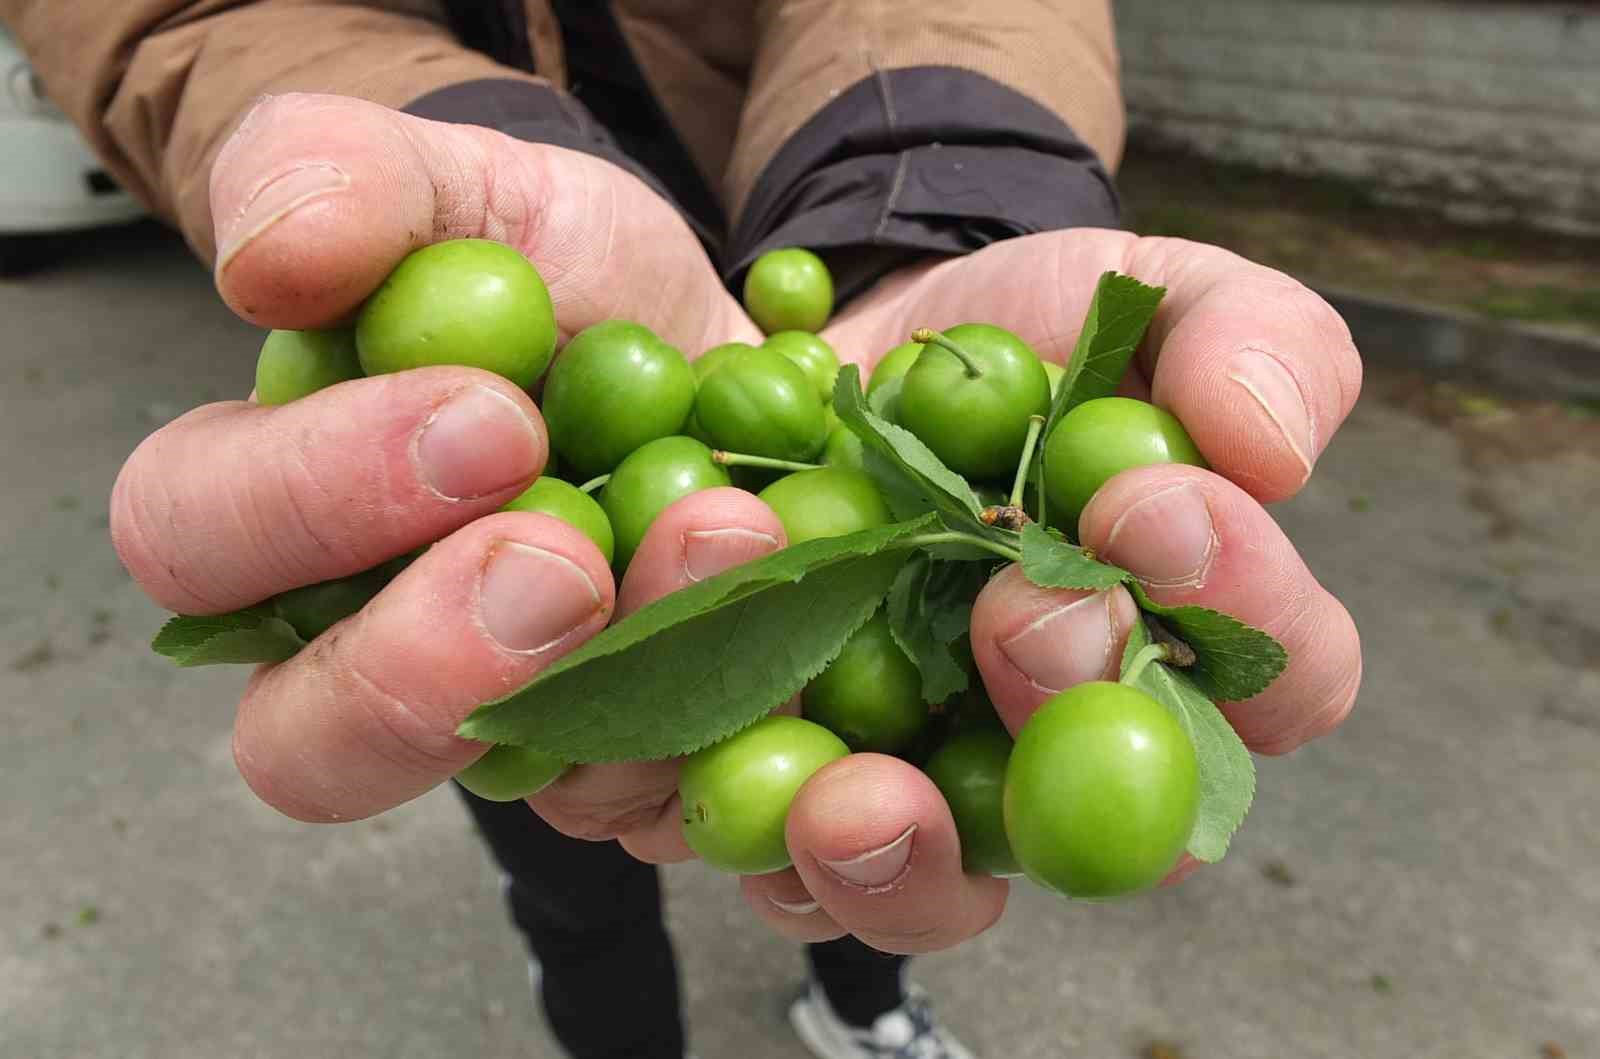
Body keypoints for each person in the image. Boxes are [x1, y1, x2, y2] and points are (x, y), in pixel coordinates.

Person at [0, 2, 1366, 1056]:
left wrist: (939, 194)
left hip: (828, 222)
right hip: (565, 502)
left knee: (861, 808)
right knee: (547, 760)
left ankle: (864, 1006)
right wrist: (440, 159)